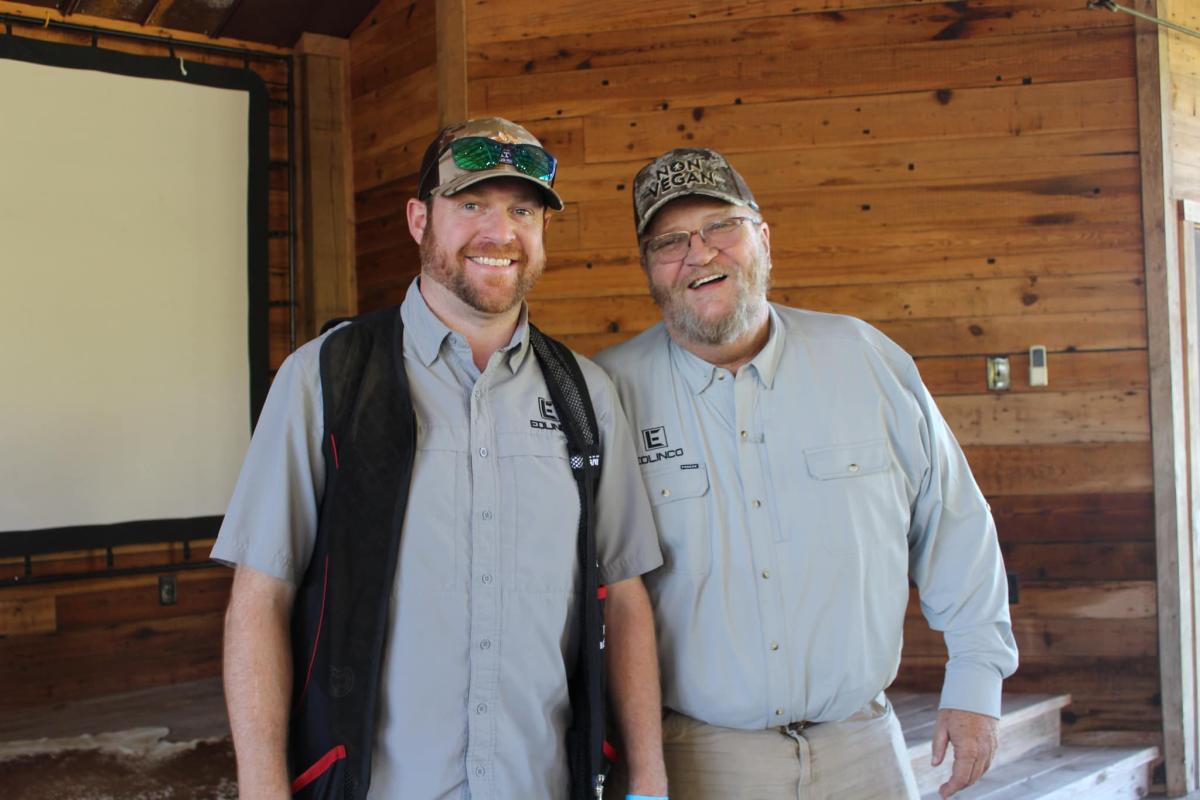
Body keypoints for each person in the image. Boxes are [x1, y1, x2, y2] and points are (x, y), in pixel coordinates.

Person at [215, 118, 669, 800]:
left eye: (523, 210)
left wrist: (649, 779)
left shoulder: (585, 395)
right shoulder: (326, 379)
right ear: (419, 219)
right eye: (472, 205)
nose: (500, 232)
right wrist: (261, 789)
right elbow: (259, 598)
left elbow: (626, 597)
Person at [594, 148, 1019, 800]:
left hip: (863, 746)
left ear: (763, 238)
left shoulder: (865, 359)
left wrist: (976, 682)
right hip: (698, 759)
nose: (699, 254)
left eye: (721, 228)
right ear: (649, 268)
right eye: (670, 241)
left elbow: (954, 523)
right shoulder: (608, 393)